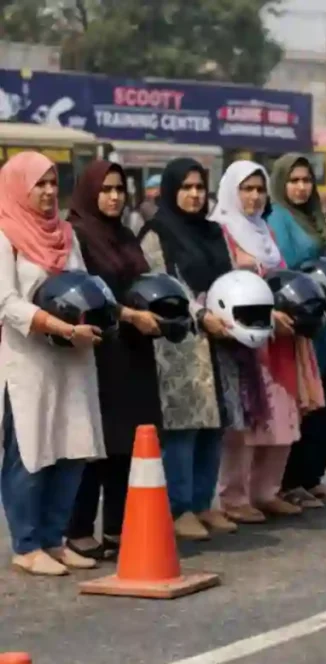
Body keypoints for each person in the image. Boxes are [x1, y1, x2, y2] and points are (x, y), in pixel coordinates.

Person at [0, 152, 107, 575]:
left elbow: (81, 283)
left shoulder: (65, 233)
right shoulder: (4, 234)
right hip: (26, 360)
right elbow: (6, 303)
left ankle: (54, 539)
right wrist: (59, 328)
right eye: (38, 184)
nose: (47, 192)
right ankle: (26, 545)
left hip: (73, 357)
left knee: (72, 446)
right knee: (31, 450)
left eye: (52, 183)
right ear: (18, 187)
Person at [64, 160, 164, 560]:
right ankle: (78, 528)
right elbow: (85, 291)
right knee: (97, 442)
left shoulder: (125, 234)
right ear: (90, 192)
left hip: (135, 351)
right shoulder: (78, 234)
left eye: (119, 190)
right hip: (100, 350)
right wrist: (129, 315)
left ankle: (119, 526)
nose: (114, 197)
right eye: (105, 190)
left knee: (129, 443)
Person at [212, 160, 319, 521]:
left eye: (259, 190)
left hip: (282, 337)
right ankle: (233, 496)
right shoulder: (222, 231)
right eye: (247, 189)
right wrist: (267, 315)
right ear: (231, 190)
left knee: (281, 412)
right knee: (247, 418)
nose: (255, 197)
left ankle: (266, 491)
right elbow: (228, 286)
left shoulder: (264, 233)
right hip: (246, 337)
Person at [139, 158, 238, 539]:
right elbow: (163, 284)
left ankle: (202, 502)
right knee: (183, 426)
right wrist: (200, 315)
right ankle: (178, 508)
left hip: (218, 337)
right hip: (178, 341)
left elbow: (229, 278)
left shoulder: (213, 232)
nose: (195, 195)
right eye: (186, 188)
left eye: (200, 188)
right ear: (170, 190)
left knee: (213, 425)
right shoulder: (156, 232)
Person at [269, 153, 326, 507]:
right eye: (294, 181)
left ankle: (313, 476)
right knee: (304, 403)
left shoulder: (317, 218)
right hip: (306, 323)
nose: (301, 188)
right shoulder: (278, 217)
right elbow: (284, 268)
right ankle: (290, 481)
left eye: (306, 181)